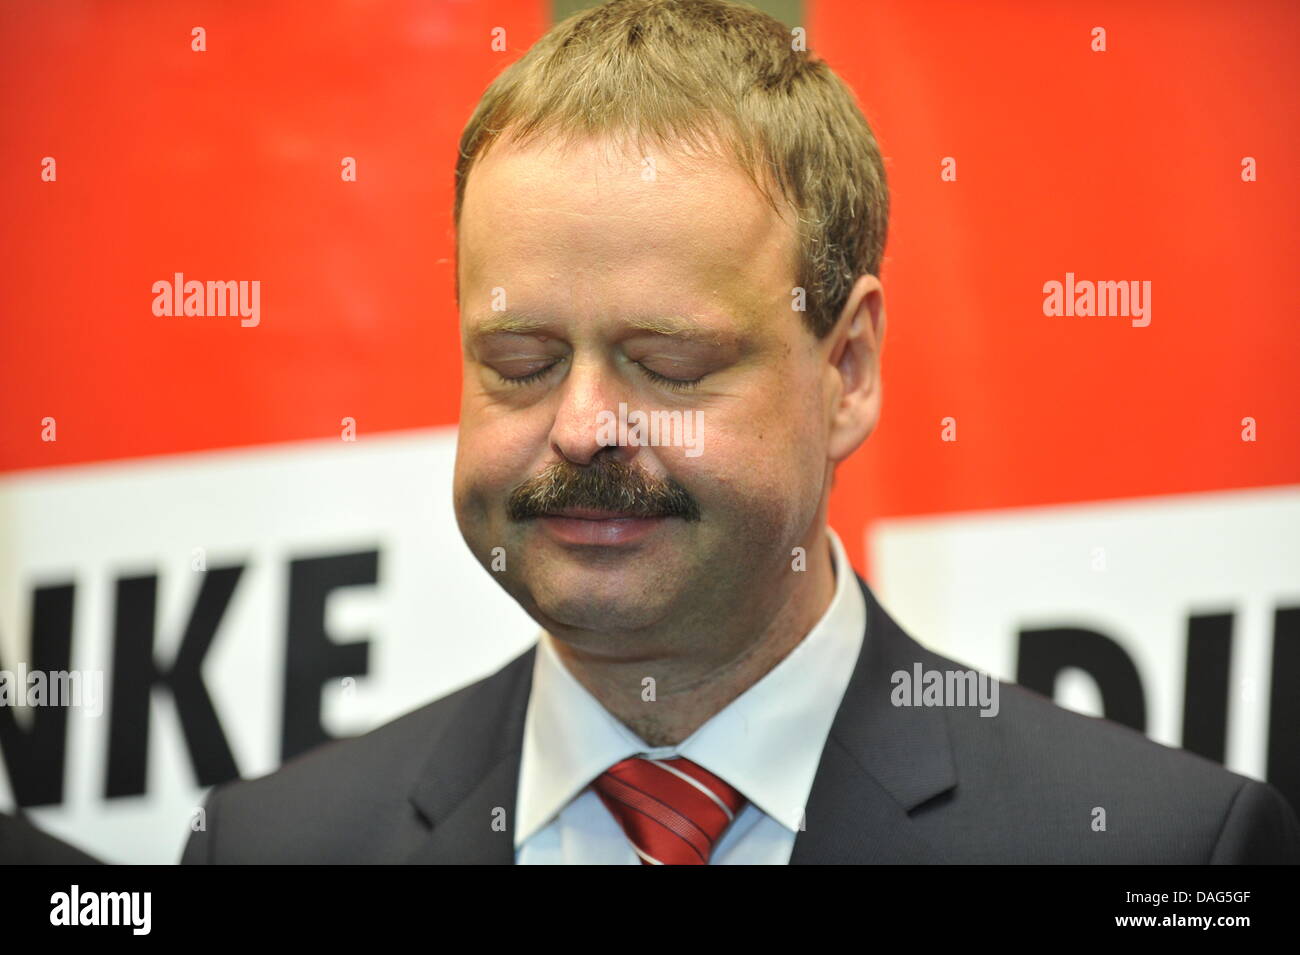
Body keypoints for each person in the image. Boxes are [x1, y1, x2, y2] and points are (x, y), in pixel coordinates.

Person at [181, 0, 1299, 864]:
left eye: (667, 364)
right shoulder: (271, 848)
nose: (581, 427)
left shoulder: (1156, 849)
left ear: (846, 368)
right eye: (519, 365)